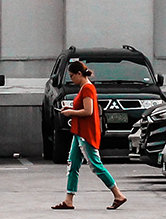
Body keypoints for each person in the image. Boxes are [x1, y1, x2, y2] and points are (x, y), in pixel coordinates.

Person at [53, 59, 126, 210]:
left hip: (85, 133)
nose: (71, 79)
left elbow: (88, 111)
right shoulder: (84, 88)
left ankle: (118, 195)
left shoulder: (87, 88)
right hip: (79, 132)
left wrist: (70, 112)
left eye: (72, 75)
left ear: (79, 74)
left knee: (95, 165)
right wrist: (71, 108)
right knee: (72, 165)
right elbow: (84, 108)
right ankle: (68, 200)